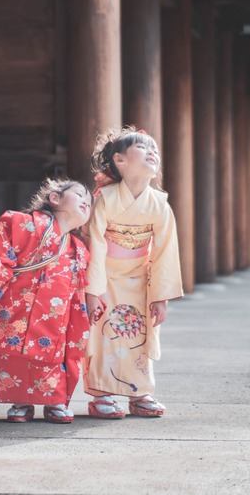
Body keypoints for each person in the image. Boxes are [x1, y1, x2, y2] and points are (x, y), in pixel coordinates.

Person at [0, 178, 93, 423]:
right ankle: (20, 400)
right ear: (55, 198)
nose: (86, 202)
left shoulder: (77, 247)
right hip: (17, 305)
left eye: (89, 201)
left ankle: (55, 400)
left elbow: (79, 287)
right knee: (14, 352)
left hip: (57, 314)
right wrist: (3, 280)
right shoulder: (20, 224)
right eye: (79, 195)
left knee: (55, 352)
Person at [84, 126, 183, 419]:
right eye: (142, 148)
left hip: (140, 279)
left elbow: (165, 251)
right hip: (106, 278)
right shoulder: (105, 198)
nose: (152, 152)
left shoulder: (160, 204)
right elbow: (95, 244)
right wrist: (93, 290)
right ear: (120, 161)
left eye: (154, 149)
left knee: (141, 334)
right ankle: (101, 394)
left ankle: (140, 393)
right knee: (103, 335)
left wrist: (160, 295)